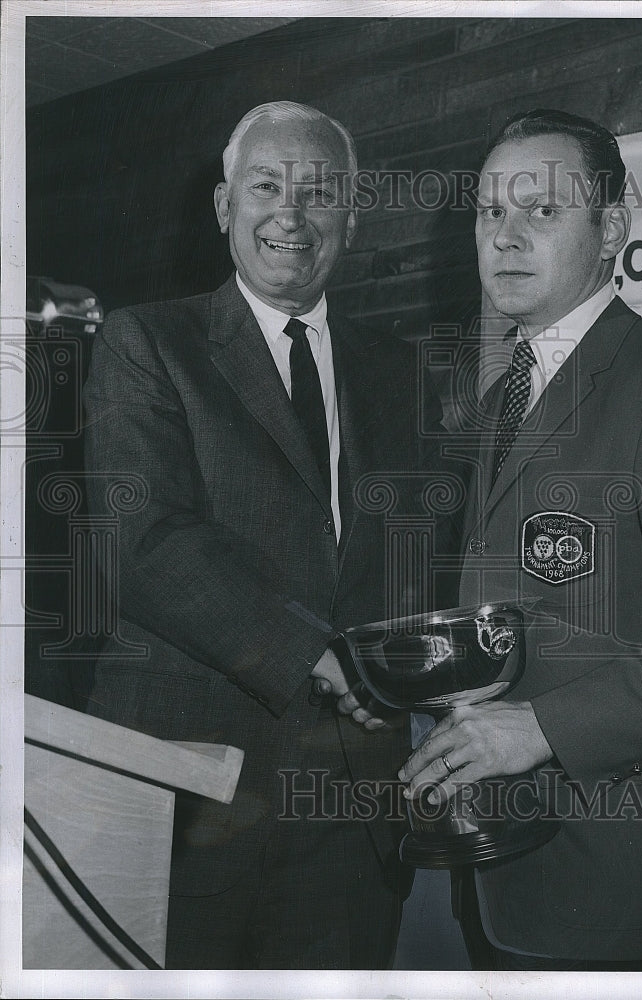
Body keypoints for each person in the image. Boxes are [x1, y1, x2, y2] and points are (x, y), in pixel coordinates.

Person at [399, 109, 642, 970]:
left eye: (541, 210)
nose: (506, 236)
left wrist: (540, 729)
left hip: (618, 889)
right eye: (490, 212)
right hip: (498, 864)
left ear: (610, 230)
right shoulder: (504, 401)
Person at [82, 101, 442, 969]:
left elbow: (416, 556)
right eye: (266, 186)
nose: (290, 213)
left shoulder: (401, 370)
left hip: (354, 816)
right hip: (192, 802)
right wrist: (320, 655)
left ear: (350, 219)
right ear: (223, 207)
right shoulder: (147, 342)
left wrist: (414, 676)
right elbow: (142, 542)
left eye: (319, 192)